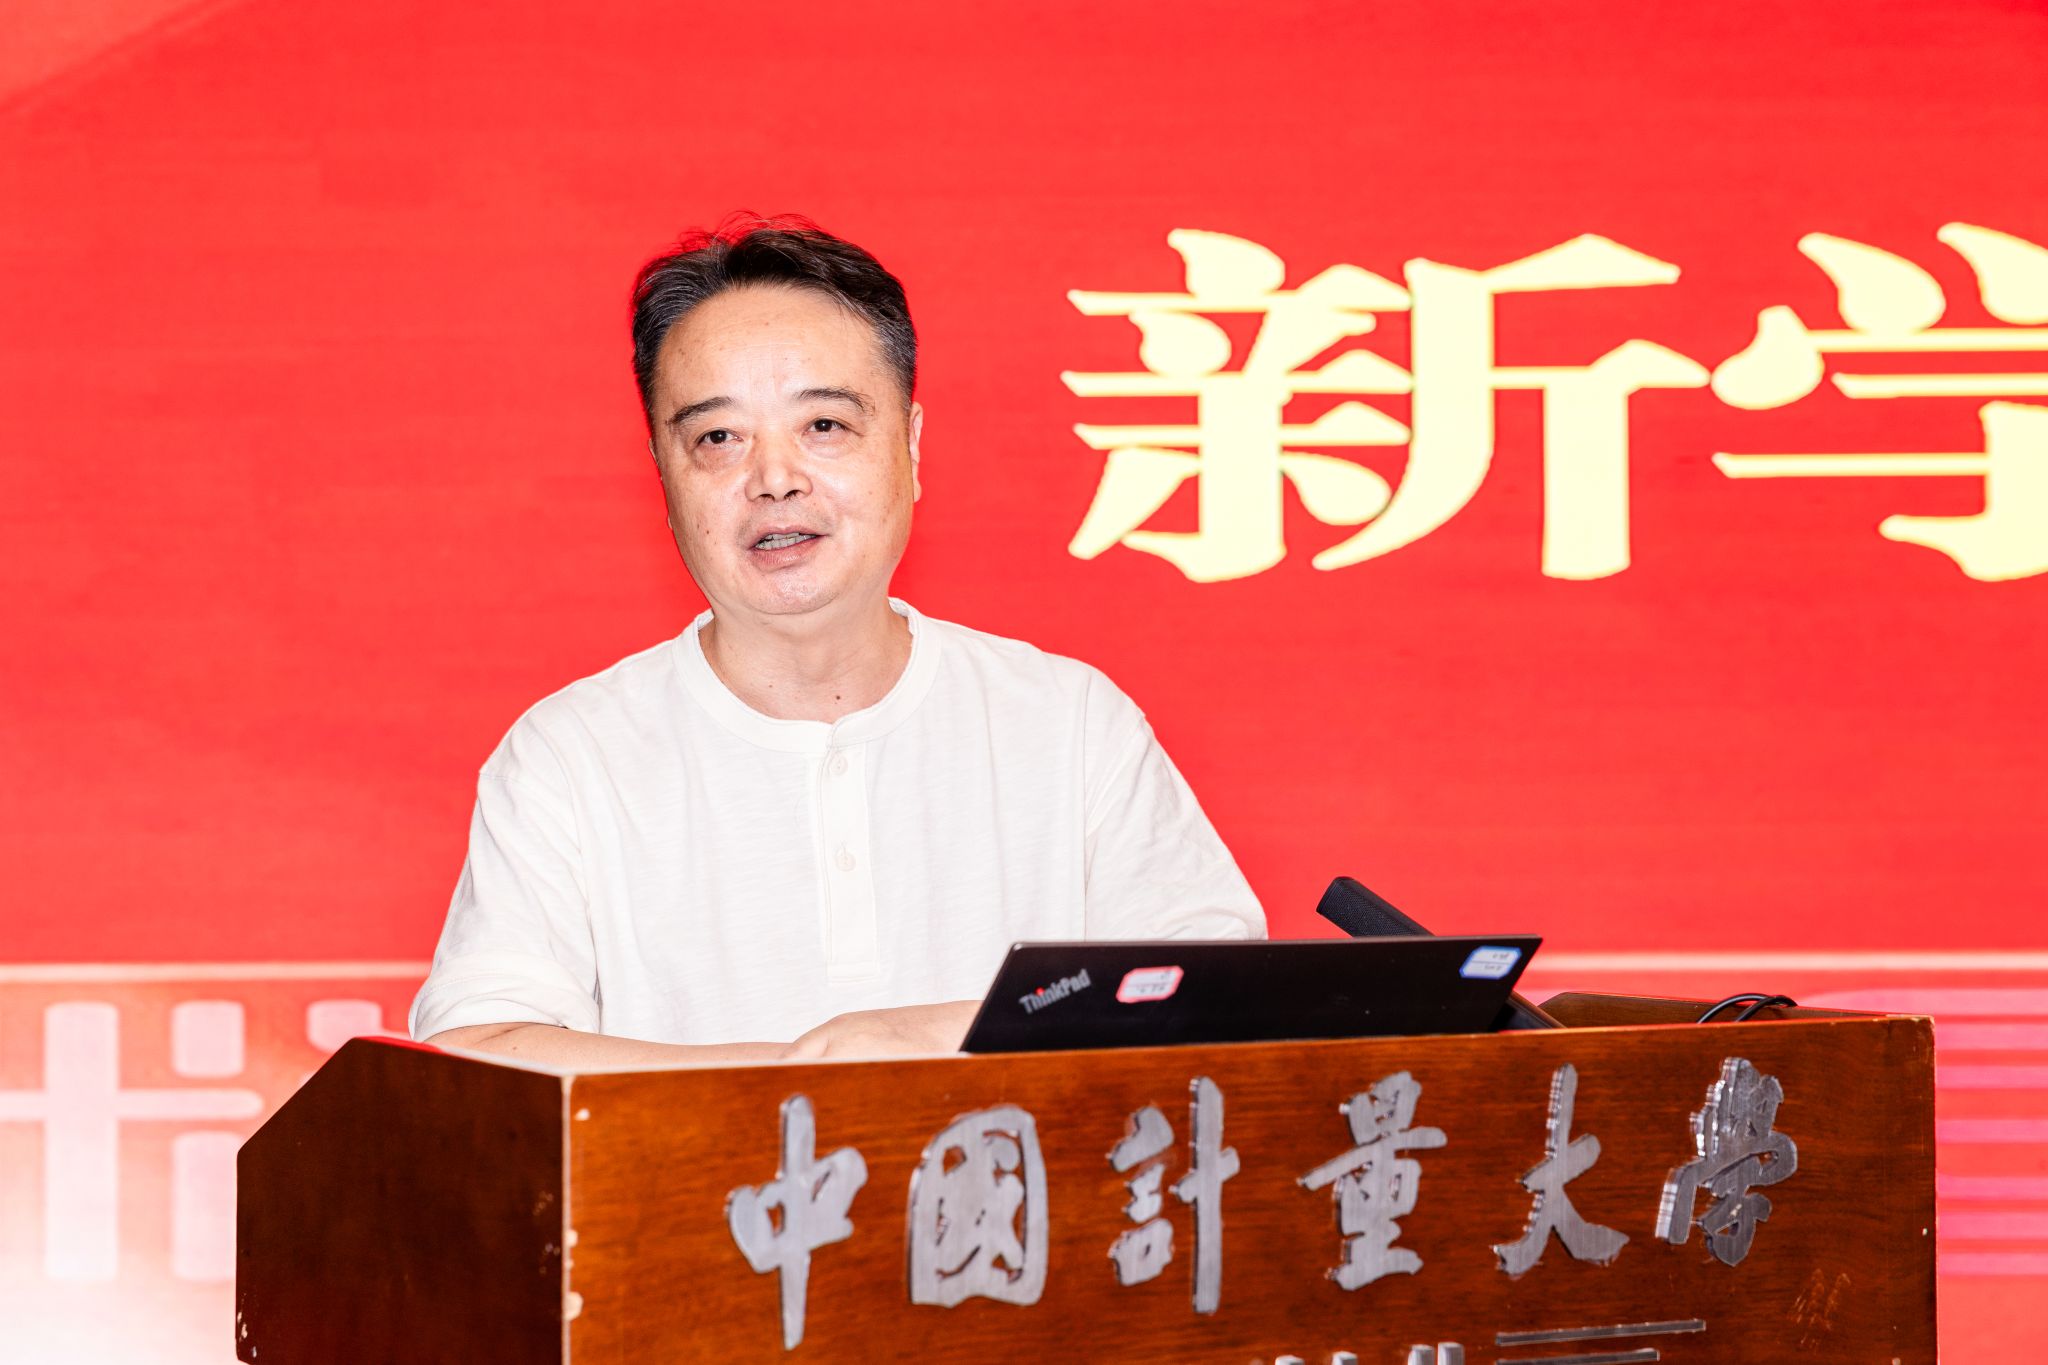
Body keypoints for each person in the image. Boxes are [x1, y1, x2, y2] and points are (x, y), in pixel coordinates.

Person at [409, 215, 1264, 1065]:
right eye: (718, 438)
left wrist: (929, 1037)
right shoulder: (569, 756)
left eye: (824, 426)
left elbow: (1224, 1005)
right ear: (663, 473)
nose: (775, 479)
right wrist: (807, 1080)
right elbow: (479, 1051)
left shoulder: (1068, 723)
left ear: (912, 446)